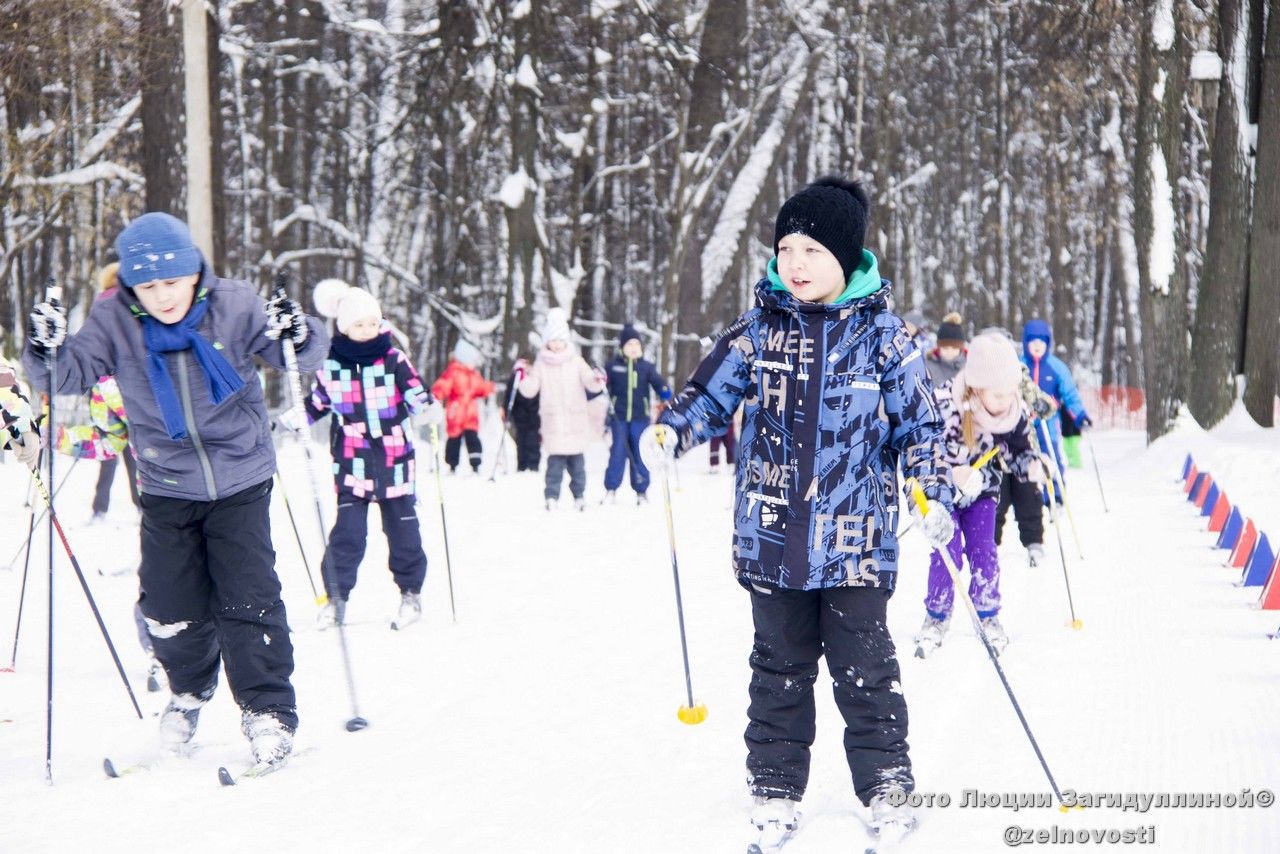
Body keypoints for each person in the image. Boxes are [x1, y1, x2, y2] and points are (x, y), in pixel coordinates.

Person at [642, 176, 955, 849]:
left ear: (845, 257)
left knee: (865, 672)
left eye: (811, 248)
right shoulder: (758, 332)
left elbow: (921, 429)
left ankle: (888, 786)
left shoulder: (885, 339)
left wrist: (932, 491)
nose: (796, 262)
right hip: (773, 540)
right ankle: (775, 789)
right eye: (785, 247)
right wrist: (672, 430)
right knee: (778, 672)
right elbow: (707, 397)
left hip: (857, 544)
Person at [23, 212, 327, 768]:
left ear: (194, 273)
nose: (162, 296)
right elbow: (66, 375)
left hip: (240, 475)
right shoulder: (115, 318)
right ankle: (188, 692)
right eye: (148, 285)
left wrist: (299, 332)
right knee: (168, 605)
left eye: (171, 281)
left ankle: (267, 712)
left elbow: (293, 353)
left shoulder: (235, 303)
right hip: (165, 480)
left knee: (247, 596)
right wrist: (45, 350)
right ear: (131, 285)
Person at [291, 278, 441, 629]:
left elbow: (416, 393)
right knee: (348, 534)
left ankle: (410, 593)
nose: (368, 329)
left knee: (403, 531)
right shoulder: (332, 364)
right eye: (360, 324)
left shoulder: (393, 359)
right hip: (352, 459)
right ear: (344, 327)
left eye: (373, 322)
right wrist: (288, 422)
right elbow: (316, 404)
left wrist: (429, 409)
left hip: (394, 458)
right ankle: (336, 599)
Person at [913, 333, 1043, 657]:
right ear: (976, 387)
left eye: (1010, 392)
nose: (1006, 400)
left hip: (983, 491)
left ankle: (988, 614)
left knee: (984, 549)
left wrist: (1032, 466)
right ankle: (936, 615)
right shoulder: (944, 405)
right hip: (942, 496)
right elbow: (921, 453)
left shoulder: (1011, 410)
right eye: (998, 394)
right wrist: (949, 474)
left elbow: (1019, 452)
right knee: (948, 551)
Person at [517, 308, 605, 511]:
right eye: (552, 340)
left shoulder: (576, 361)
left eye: (560, 340)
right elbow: (530, 390)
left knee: (577, 464)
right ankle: (551, 496)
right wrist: (522, 377)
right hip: (554, 421)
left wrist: (597, 379)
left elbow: (590, 382)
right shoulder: (541, 364)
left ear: (566, 341)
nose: (556, 345)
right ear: (547, 342)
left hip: (575, 421)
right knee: (554, 465)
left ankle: (579, 495)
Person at [602, 324, 670, 504]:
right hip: (619, 418)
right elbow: (600, 386)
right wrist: (597, 383)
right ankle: (611, 489)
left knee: (640, 454)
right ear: (622, 347)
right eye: (629, 345)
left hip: (641, 418)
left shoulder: (646, 367)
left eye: (636, 345)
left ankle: (641, 490)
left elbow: (658, 382)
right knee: (617, 452)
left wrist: (664, 392)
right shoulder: (613, 366)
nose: (633, 348)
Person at [1020, 319, 1090, 480]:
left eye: (1042, 342)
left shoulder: (1056, 367)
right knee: (1026, 460)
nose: (1037, 346)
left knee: (1051, 458)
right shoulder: (1019, 364)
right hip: (1023, 422)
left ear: (1048, 343)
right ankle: (1031, 496)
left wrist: (1079, 415)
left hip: (1048, 422)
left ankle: (1056, 494)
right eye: (1033, 341)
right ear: (1026, 343)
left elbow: (1070, 393)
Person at [431, 339, 494, 474]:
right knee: (454, 438)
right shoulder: (453, 371)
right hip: (456, 411)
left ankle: (476, 464)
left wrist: (490, 388)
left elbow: (481, 387)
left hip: (471, 413)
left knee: (473, 439)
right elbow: (443, 385)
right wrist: (435, 395)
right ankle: (452, 465)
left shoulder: (474, 374)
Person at [507, 362, 541, 472]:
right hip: (520, 415)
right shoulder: (516, 376)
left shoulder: (537, 376)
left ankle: (533, 465)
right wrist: (507, 410)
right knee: (521, 441)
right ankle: (522, 465)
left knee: (533, 441)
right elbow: (509, 395)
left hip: (534, 415)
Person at [925, 311, 966, 390]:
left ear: (960, 348)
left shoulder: (968, 366)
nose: (949, 352)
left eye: (954, 348)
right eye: (945, 348)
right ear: (939, 347)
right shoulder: (928, 366)